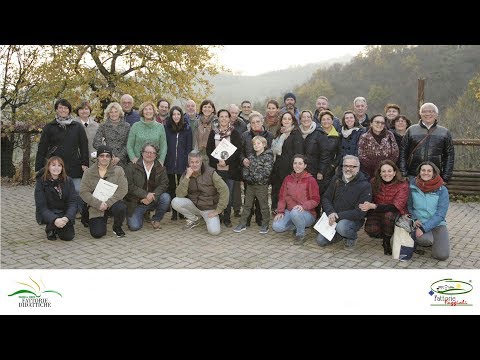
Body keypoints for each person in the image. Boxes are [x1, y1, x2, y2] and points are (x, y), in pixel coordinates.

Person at [35, 99, 89, 216]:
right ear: (56, 109)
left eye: (65, 108)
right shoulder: (50, 127)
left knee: (78, 190)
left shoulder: (77, 126)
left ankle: (79, 211)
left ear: (69, 110)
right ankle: (63, 213)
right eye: (60, 107)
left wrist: (85, 163)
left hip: (74, 164)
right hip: (56, 166)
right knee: (59, 191)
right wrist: (38, 167)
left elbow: (84, 146)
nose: (63, 110)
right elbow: (42, 148)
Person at [315, 155, 372, 249]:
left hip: (351, 220)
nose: (348, 169)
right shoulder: (336, 179)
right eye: (346, 166)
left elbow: (360, 212)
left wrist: (337, 216)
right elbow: (326, 197)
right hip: (333, 217)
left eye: (353, 166)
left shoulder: (365, 185)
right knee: (320, 241)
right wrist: (331, 212)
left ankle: (352, 237)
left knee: (342, 227)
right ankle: (340, 235)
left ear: (358, 168)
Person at [171, 150, 229, 236]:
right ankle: (195, 219)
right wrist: (187, 177)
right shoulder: (185, 174)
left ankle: (206, 219)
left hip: (209, 208)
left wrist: (218, 210)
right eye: (192, 162)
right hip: (195, 206)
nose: (194, 165)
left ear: (201, 162)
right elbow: (180, 194)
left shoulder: (210, 172)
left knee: (214, 232)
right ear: (188, 163)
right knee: (175, 201)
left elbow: (224, 189)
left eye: (197, 162)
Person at [359, 160, 409, 255]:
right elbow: (370, 197)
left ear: (394, 172)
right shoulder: (374, 181)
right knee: (370, 229)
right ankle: (387, 231)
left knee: (388, 216)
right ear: (380, 173)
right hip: (377, 210)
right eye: (384, 171)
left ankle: (386, 241)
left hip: (396, 212)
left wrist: (373, 206)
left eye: (389, 171)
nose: (387, 174)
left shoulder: (403, 184)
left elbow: (395, 206)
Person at [79, 145, 128, 238]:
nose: (104, 158)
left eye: (107, 156)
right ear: (97, 157)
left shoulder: (118, 171)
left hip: (112, 203)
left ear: (111, 158)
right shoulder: (88, 172)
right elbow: (83, 191)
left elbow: (123, 189)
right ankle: (92, 218)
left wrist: (108, 203)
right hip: (96, 205)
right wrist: (98, 204)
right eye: (101, 155)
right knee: (97, 234)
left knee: (121, 207)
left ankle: (117, 227)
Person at [399, 102, 455, 183]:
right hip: (413, 175)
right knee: (413, 195)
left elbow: (450, 155)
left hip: (436, 174)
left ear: (436, 114)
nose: (428, 114)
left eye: (431, 111)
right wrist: (403, 173)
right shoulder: (411, 130)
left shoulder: (444, 132)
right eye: (424, 111)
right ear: (420, 114)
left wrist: (446, 177)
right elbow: (403, 152)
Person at [272, 154, 320, 245]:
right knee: (277, 226)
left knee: (295, 211)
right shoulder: (288, 179)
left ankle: (300, 234)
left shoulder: (311, 180)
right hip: (290, 212)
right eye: (295, 163)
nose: (297, 166)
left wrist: (303, 206)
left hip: (307, 213)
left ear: (305, 165)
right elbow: (282, 197)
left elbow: (316, 200)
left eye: (300, 163)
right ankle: (297, 225)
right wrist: (280, 211)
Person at [206, 109, 242, 227]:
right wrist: (218, 161)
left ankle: (227, 218)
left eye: (226, 116)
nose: (224, 119)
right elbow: (209, 150)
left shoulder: (235, 133)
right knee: (217, 193)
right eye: (221, 116)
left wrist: (226, 161)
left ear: (229, 118)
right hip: (216, 169)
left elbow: (237, 151)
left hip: (230, 169)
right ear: (218, 118)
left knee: (228, 194)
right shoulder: (213, 133)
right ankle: (218, 215)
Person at [408, 161, 450, 260]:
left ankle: (435, 237)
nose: (426, 173)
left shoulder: (442, 190)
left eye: (429, 171)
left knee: (442, 256)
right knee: (424, 240)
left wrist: (424, 228)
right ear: (419, 172)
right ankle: (416, 237)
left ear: (434, 173)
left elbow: (441, 214)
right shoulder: (412, 186)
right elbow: (409, 206)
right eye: (423, 170)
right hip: (419, 222)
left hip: (437, 223)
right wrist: (414, 219)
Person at [124, 143, 171, 231]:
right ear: (142, 153)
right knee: (134, 227)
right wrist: (145, 195)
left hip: (153, 199)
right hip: (136, 202)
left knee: (166, 197)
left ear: (156, 155)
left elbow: (164, 184)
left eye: (153, 153)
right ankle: (140, 214)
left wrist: (152, 196)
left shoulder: (161, 168)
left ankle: (156, 219)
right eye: (147, 152)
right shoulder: (131, 166)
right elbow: (129, 185)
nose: (149, 155)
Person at [239, 112, 274, 226]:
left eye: (258, 121)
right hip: (248, 170)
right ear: (249, 123)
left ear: (262, 122)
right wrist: (243, 159)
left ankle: (261, 220)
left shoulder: (269, 135)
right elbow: (240, 152)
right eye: (252, 122)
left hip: (262, 172)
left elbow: (272, 153)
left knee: (261, 199)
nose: (255, 124)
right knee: (248, 199)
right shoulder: (245, 135)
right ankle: (246, 221)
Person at [233, 136, 273, 234]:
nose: (256, 145)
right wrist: (247, 178)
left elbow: (266, 172)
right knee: (247, 205)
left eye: (258, 143)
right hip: (250, 186)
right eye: (254, 144)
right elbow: (246, 169)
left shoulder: (268, 156)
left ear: (264, 144)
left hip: (261, 186)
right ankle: (242, 223)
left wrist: (254, 178)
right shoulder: (251, 157)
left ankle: (265, 224)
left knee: (263, 206)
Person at [35, 156, 76, 241]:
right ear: (48, 167)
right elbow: (41, 207)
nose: (56, 168)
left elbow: (72, 202)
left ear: (62, 168)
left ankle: (58, 226)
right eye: (53, 165)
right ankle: (50, 227)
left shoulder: (68, 181)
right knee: (54, 223)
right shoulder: (41, 182)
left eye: (59, 165)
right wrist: (54, 219)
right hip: (49, 212)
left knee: (68, 237)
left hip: (63, 213)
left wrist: (67, 217)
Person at [270, 111, 303, 214]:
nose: (287, 121)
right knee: (277, 189)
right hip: (277, 167)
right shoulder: (279, 133)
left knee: (288, 191)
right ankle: (276, 208)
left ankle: (288, 211)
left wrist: (295, 169)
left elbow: (299, 152)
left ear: (293, 121)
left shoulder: (296, 133)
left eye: (289, 119)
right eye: (284, 119)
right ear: (281, 121)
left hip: (289, 168)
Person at [164, 106, 192, 221]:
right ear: (171, 116)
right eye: (174, 114)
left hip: (182, 162)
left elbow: (189, 147)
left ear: (181, 116)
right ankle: (174, 211)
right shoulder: (166, 128)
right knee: (171, 187)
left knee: (182, 187)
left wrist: (188, 162)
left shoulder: (187, 128)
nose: (176, 116)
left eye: (178, 114)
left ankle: (182, 211)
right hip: (169, 162)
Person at [358, 114, 399, 179]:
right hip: (369, 173)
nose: (380, 125)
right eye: (377, 122)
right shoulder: (364, 137)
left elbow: (395, 153)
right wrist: (377, 167)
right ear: (371, 124)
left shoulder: (390, 135)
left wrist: (386, 166)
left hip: (387, 173)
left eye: (382, 123)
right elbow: (362, 156)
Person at [127, 101, 167, 165]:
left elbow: (163, 146)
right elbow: (129, 145)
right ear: (142, 112)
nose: (148, 111)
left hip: (155, 164)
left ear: (154, 111)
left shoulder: (160, 127)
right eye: (145, 109)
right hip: (137, 163)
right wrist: (133, 158)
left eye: (150, 109)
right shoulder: (135, 126)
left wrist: (161, 161)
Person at [93, 101, 130, 168]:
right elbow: (96, 142)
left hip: (122, 160)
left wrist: (119, 157)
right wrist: (108, 154)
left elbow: (128, 144)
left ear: (120, 113)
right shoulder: (103, 126)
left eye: (116, 111)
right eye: (111, 112)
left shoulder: (127, 126)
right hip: (106, 160)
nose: (114, 114)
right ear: (108, 113)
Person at [73, 100, 99, 166]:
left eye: (86, 109)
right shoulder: (72, 125)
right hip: (77, 159)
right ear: (77, 111)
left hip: (93, 159)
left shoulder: (96, 126)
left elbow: (99, 142)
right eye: (81, 109)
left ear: (90, 110)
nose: (84, 111)